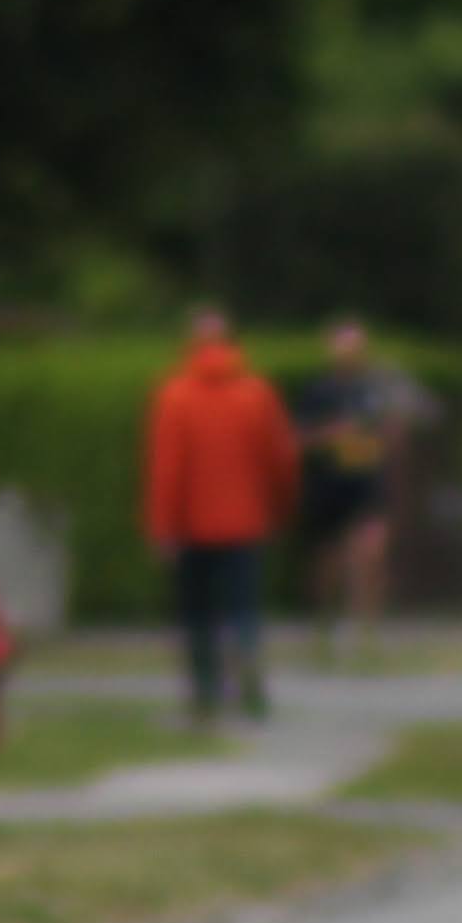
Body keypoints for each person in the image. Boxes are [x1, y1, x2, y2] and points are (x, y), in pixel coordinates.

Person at [142, 309, 299, 726]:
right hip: (246, 521)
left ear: (191, 344)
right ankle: (248, 676)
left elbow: (166, 469)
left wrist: (163, 527)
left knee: (196, 611)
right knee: (244, 608)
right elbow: (279, 459)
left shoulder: (174, 395)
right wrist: (279, 508)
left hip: (192, 525)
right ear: (232, 343)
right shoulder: (257, 393)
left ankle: (204, 690)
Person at [290, 321, 427, 662]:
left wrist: (392, 437)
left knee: (371, 553)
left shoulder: (375, 390)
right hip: (328, 484)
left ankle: (366, 632)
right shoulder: (317, 392)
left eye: (355, 347)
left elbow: (394, 430)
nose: (349, 354)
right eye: (343, 347)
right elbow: (298, 439)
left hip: (367, 484)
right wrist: (331, 434)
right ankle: (324, 625)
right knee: (328, 563)